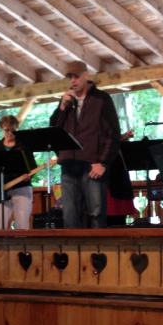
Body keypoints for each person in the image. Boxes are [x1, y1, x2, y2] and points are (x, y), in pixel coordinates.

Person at [49, 60, 121, 228]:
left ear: (86, 76)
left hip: (91, 166)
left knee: (96, 214)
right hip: (68, 166)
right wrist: (61, 107)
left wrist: (103, 162)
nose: (73, 81)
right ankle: (75, 254)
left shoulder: (101, 99)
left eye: (76, 77)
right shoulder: (66, 102)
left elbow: (113, 134)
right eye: (70, 78)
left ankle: (99, 253)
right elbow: (54, 132)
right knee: (70, 215)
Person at [0, 115, 35, 230]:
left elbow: (32, 167)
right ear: (2, 129)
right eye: (6, 130)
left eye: (13, 130)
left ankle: (22, 248)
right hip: (2, 191)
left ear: (16, 128)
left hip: (22, 188)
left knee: (22, 225)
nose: (10, 133)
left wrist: (29, 176)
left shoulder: (23, 146)